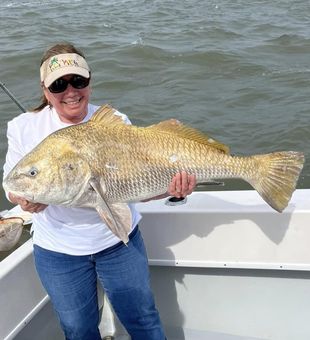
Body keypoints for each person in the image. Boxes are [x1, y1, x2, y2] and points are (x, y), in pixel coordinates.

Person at [2, 43, 196, 340]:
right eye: (58, 84)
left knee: (143, 320)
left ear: (90, 80)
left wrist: (173, 190)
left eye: (79, 81)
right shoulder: (22, 127)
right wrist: (24, 200)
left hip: (119, 242)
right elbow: (12, 184)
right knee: (78, 330)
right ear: (45, 89)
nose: (70, 91)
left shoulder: (115, 122)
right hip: (58, 250)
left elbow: (137, 187)